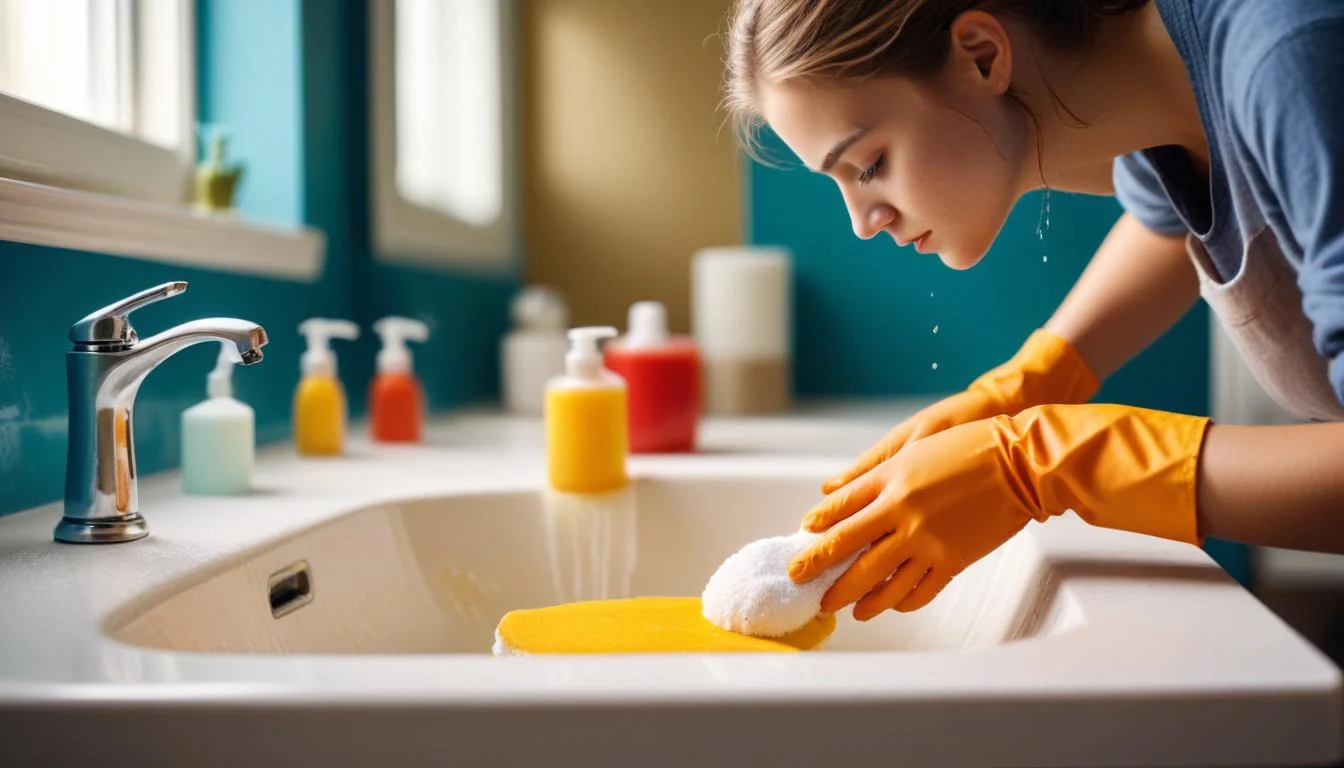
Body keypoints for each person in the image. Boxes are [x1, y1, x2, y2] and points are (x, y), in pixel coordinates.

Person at [721, 0, 1344, 620]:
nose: (863, 223)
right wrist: (1029, 382)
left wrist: (1045, 463)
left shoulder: (1289, 58)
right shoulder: (1163, 100)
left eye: (871, 164)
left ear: (983, 55)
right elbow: (1173, 222)